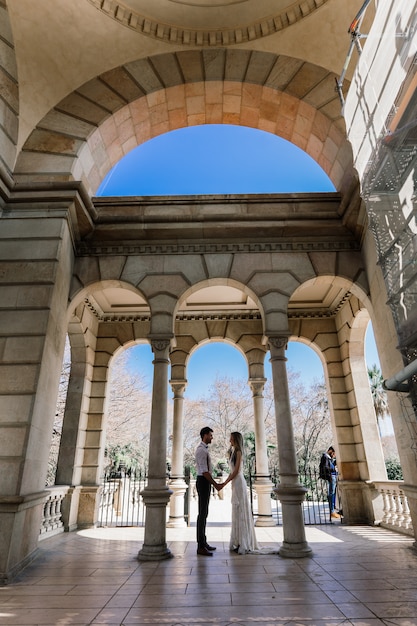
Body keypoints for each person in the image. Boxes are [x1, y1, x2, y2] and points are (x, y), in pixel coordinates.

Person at [218, 431, 277, 555]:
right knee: (236, 511)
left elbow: (236, 471)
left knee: (241, 510)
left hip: (239, 482)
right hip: (235, 483)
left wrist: (224, 483)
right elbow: (231, 470)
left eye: (231, 439)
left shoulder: (239, 452)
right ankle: (238, 540)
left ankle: (244, 541)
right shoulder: (233, 452)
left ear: (236, 440)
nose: (230, 440)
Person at [195, 426, 220, 556]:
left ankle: (203, 542)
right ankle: (200, 546)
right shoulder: (201, 451)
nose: (212, 437)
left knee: (204, 513)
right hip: (203, 481)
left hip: (205, 481)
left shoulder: (204, 449)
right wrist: (216, 484)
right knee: (202, 513)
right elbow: (204, 471)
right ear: (205, 435)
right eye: (210, 435)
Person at [319, 446, 340, 520]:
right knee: (331, 494)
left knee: (333, 493)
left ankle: (333, 510)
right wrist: (333, 468)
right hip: (331, 476)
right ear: (330, 451)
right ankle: (332, 511)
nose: (334, 455)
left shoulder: (328, 458)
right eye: (333, 453)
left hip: (332, 476)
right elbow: (326, 467)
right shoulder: (325, 457)